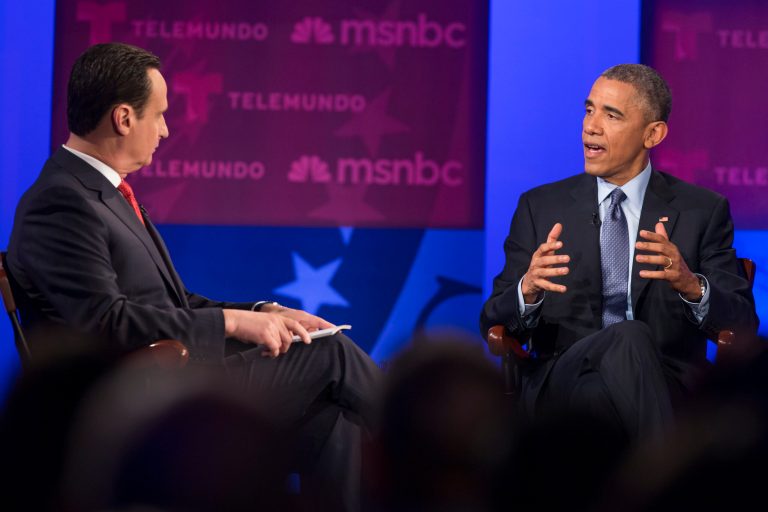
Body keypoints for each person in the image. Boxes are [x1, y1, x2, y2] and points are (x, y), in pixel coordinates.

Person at [6, 42, 380, 512]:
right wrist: (230, 324)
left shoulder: (105, 194)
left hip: (170, 377)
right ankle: (431, 441)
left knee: (331, 416)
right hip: (134, 399)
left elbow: (175, 303)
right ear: (123, 118)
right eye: (159, 115)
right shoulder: (60, 203)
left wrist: (264, 312)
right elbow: (103, 324)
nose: (166, 129)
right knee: (331, 356)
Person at [480, 64, 757, 440]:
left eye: (611, 115)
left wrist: (693, 287)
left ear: (653, 134)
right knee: (625, 339)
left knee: (620, 361)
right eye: (589, 109)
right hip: (564, 374)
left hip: (663, 379)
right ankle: (662, 482)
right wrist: (526, 292)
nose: (590, 126)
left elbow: (742, 322)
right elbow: (493, 321)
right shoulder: (541, 207)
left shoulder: (701, 211)